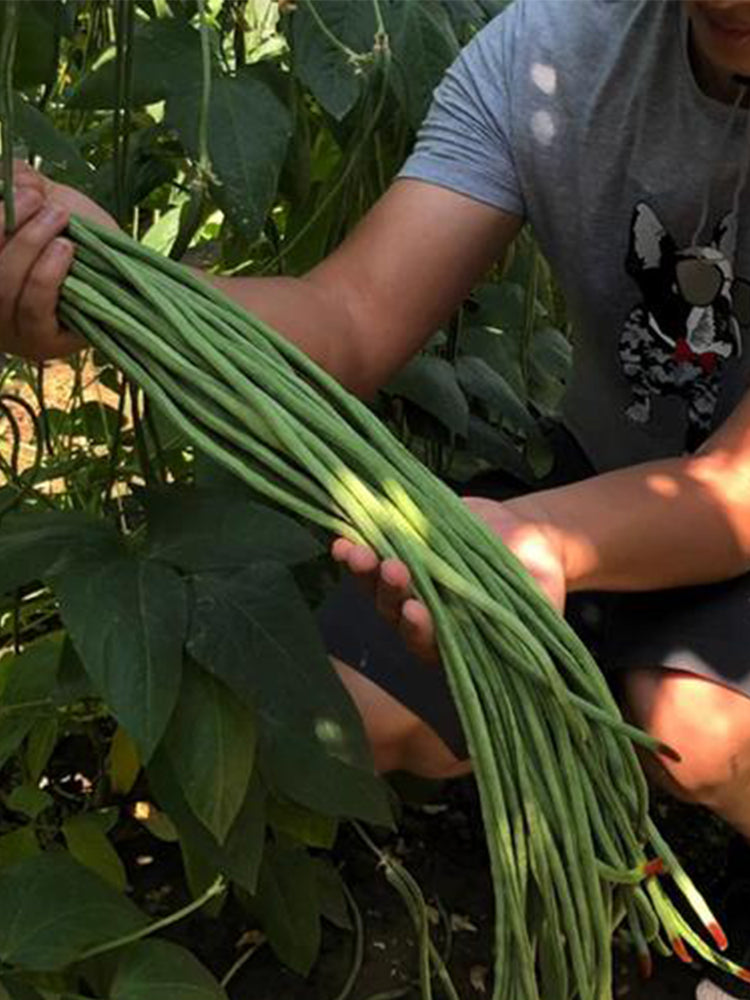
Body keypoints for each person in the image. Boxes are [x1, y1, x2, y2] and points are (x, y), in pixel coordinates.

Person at [3, 0, 750, 994]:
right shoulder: (554, 51)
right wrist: (125, 292)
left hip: (700, 502)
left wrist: (532, 542)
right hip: (605, 478)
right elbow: (350, 316)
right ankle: (596, 762)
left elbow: (736, 490)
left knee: (701, 728)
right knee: (353, 708)